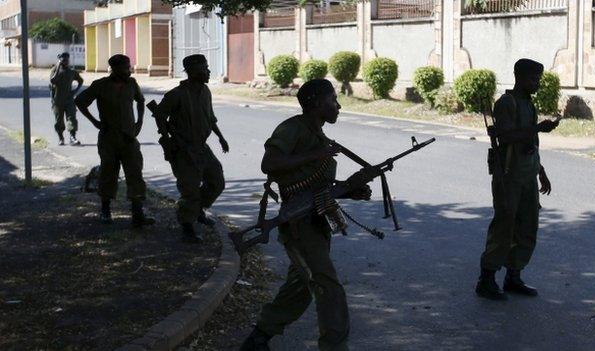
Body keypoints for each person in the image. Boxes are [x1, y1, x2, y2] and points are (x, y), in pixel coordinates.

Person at [240, 79, 372, 351]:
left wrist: (350, 191)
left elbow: (314, 185)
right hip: (299, 224)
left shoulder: (319, 135)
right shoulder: (293, 129)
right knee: (328, 287)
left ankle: (259, 338)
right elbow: (270, 164)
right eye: (333, 100)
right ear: (315, 103)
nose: (338, 106)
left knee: (300, 287)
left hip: (316, 221)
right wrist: (317, 154)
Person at [476, 58, 560, 300]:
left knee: (528, 226)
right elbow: (505, 136)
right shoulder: (506, 103)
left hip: (528, 173)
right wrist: (537, 129)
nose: (537, 84)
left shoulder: (528, 104)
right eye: (534, 79)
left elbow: (530, 143)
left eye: (539, 79)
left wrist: (541, 171)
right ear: (519, 77)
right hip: (508, 174)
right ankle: (487, 278)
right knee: (505, 225)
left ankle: (514, 276)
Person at [153, 54, 228, 243]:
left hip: (202, 147)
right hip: (183, 149)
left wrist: (221, 137)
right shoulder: (176, 95)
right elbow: (160, 115)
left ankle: (198, 210)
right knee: (190, 190)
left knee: (216, 181)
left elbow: (211, 118)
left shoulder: (205, 91)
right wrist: (167, 137)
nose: (208, 71)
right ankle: (187, 226)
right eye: (204, 68)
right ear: (192, 71)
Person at [74, 54, 154, 228]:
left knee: (135, 173)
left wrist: (139, 121)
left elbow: (140, 101)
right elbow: (80, 101)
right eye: (126, 67)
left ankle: (137, 214)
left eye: (129, 66)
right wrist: (95, 121)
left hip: (129, 138)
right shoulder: (100, 85)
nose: (129, 70)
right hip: (108, 138)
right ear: (115, 69)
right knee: (108, 174)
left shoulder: (132, 84)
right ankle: (105, 210)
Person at [50, 52, 83, 146]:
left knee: (71, 118)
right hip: (57, 100)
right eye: (63, 59)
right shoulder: (54, 70)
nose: (66, 60)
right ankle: (61, 138)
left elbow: (81, 81)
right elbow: (53, 80)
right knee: (59, 120)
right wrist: (58, 66)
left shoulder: (72, 72)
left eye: (67, 59)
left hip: (69, 100)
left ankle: (73, 137)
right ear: (60, 59)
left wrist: (75, 91)